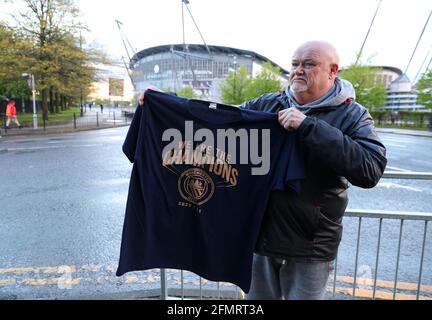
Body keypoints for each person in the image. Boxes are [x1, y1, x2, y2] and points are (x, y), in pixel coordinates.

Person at [240, 41, 387, 300]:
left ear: (332, 71)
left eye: (309, 64)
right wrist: (162, 103)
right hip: (260, 240)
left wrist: (309, 126)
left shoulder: (352, 115)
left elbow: (370, 168)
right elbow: (219, 120)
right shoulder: (267, 104)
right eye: (295, 64)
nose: (298, 70)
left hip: (310, 247)